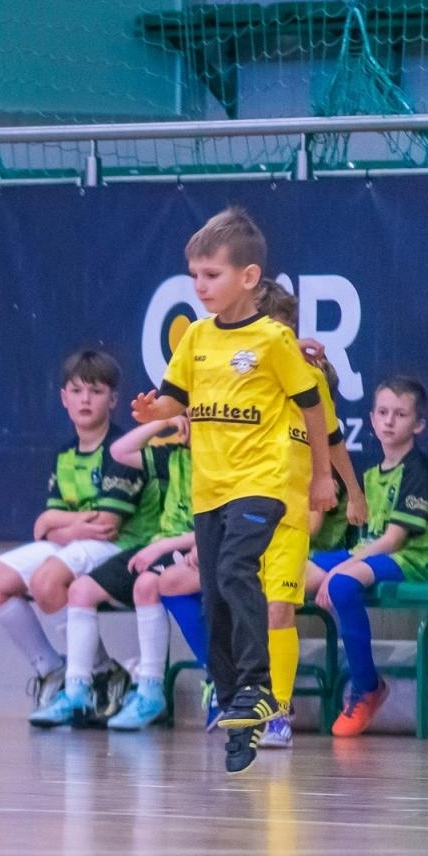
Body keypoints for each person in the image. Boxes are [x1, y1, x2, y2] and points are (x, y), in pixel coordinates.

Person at [132, 207, 335, 774]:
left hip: (263, 483)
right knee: (215, 597)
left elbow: (314, 407)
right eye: (194, 275)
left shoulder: (273, 341)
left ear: (248, 277)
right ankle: (236, 710)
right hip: (210, 489)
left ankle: (259, 687)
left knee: (235, 572)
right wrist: (156, 408)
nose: (200, 286)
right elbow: (176, 398)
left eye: (212, 275)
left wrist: (321, 475)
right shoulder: (196, 337)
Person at [155, 281, 365, 749]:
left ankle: (278, 713)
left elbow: (330, 440)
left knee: (276, 609)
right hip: (238, 512)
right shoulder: (232, 380)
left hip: (288, 516)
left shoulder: (305, 378)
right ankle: (233, 689)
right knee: (218, 602)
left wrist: (354, 493)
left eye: (287, 330)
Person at [0, 349, 152, 721]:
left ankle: (92, 678)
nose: (85, 399)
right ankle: (56, 669)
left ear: (114, 399)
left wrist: (58, 523)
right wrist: (63, 525)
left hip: (120, 548)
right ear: (63, 398)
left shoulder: (122, 450)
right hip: (76, 543)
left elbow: (105, 526)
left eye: (96, 391)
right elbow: (45, 526)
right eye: (77, 390)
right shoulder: (65, 454)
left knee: (48, 581)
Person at [309, 376, 428, 737]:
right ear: (371, 419)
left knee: (341, 585)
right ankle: (269, 690)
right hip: (368, 555)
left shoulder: (419, 471)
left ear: (417, 424)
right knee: (285, 575)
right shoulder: (370, 475)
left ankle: (367, 686)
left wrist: (340, 568)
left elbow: (393, 541)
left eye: (400, 415)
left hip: (410, 561)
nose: (389, 421)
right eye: (383, 413)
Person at [31, 414, 185, 730]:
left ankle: (151, 691)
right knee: (80, 591)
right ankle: (77, 691)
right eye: (192, 415)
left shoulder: (225, 460)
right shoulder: (172, 455)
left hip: (200, 545)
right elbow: (120, 452)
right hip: (160, 545)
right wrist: (162, 422)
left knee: (146, 586)